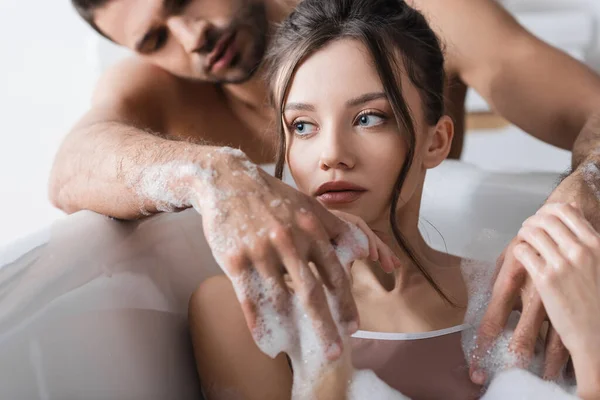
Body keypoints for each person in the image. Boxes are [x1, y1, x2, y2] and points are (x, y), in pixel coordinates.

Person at [55, 0, 600, 383]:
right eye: (301, 127)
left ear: (437, 139)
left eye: (370, 116)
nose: (189, 36)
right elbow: (70, 169)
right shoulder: (159, 90)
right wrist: (216, 175)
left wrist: (585, 194)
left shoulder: (426, 13)